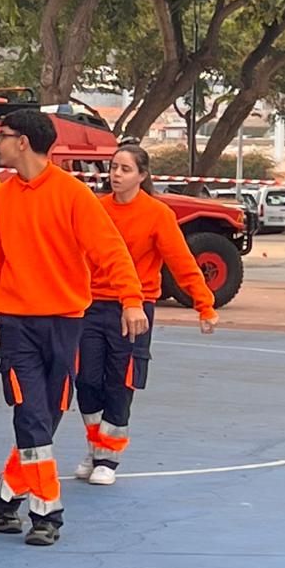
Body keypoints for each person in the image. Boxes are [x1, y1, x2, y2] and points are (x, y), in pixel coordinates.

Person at [0, 108, 145, 546]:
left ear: (23, 142)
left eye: (2, 136)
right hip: (17, 327)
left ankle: (5, 496)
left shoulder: (73, 195)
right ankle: (48, 513)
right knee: (30, 414)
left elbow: (110, 251)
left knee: (46, 417)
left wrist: (131, 300)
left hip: (66, 325)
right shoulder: (1, 199)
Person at [75, 143, 217, 484]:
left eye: (125, 169)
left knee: (120, 381)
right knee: (86, 380)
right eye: (113, 167)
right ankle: (95, 446)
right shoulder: (95, 209)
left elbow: (182, 262)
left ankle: (108, 457)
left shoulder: (157, 214)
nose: (116, 174)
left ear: (142, 175)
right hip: (91, 306)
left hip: (134, 310)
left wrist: (204, 303)